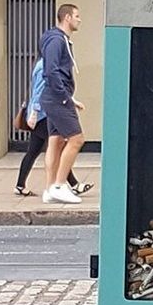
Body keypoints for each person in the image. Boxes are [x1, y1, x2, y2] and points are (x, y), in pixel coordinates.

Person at [13, 56, 94, 198]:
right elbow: (39, 90)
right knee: (58, 148)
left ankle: (20, 185)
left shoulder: (42, 64)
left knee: (34, 151)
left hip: (41, 114)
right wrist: (35, 112)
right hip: (43, 115)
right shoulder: (45, 66)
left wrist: (71, 101)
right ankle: (74, 184)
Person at [39, 4, 87, 204]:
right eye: (77, 16)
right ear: (66, 17)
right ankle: (59, 185)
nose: (79, 19)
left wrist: (70, 97)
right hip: (57, 98)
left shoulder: (57, 40)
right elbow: (51, 71)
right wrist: (66, 97)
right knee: (77, 139)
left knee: (56, 141)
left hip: (55, 97)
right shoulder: (57, 41)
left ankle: (50, 189)